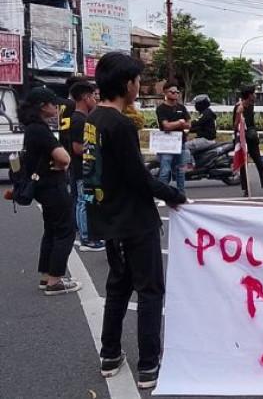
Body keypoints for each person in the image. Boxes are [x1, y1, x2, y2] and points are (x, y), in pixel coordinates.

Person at [85, 52, 187, 389]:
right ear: (127, 84)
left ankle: (110, 353)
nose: (139, 86)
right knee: (150, 290)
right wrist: (173, 195)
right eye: (138, 80)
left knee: (118, 286)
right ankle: (148, 365)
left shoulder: (93, 119)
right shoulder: (120, 124)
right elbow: (138, 177)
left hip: (108, 217)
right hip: (135, 220)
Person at [20, 88, 79, 295]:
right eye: (53, 103)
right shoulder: (40, 129)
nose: (56, 106)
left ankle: (46, 276)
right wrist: (63, 163)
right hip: (53, 187)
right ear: (42, 106)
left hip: (43, 187)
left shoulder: (32, 128)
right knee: (65, 231)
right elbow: (64, 158)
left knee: (52, 230)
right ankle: (55, 280)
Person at [69, 79, 105, 252]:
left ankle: (88, 235)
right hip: (83, 168)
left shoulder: (83, 118)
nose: (95, 99)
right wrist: (96, 148)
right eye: (92, 96)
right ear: (85, 97)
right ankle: (86, 237)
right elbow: (77, 148)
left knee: (84, 201)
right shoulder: (78, 120)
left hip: (86, 168)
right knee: (83, 202)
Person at [235, 88, 263, 197]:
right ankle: (246, 189)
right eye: (254, 94)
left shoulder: (251, 106)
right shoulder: (238, 107)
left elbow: (251, 123)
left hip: (252, 139)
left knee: (259, 163)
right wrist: (238, 113)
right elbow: (235, 125)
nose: (255, 95)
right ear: (249, 95)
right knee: (243, 165)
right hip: (243, 139)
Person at [155, 82, 190, 192]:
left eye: (177, 92)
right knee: (165, 171)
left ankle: (181, 194)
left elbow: (189, 124)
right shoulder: (161, 108)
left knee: (181, 171)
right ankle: (162, 194)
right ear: (165, 92)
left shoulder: (181, 107)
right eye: (172, 92)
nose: (175, 94)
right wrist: (180, 122)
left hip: (180, 142)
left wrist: (177, 124)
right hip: (167, 143)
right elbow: (166, 126)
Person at [184, 94, 217, 168]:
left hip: (206, 140)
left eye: (196, 104)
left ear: (201, 104)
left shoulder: (206, 113)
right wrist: (188, 131)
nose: (195, 106)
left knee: (184, 146)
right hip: (207, 139)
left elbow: (196, 122)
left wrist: (185, 125)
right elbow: (198, 127)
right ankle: (197, 164)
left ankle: (189, 166)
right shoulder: (207, 112)